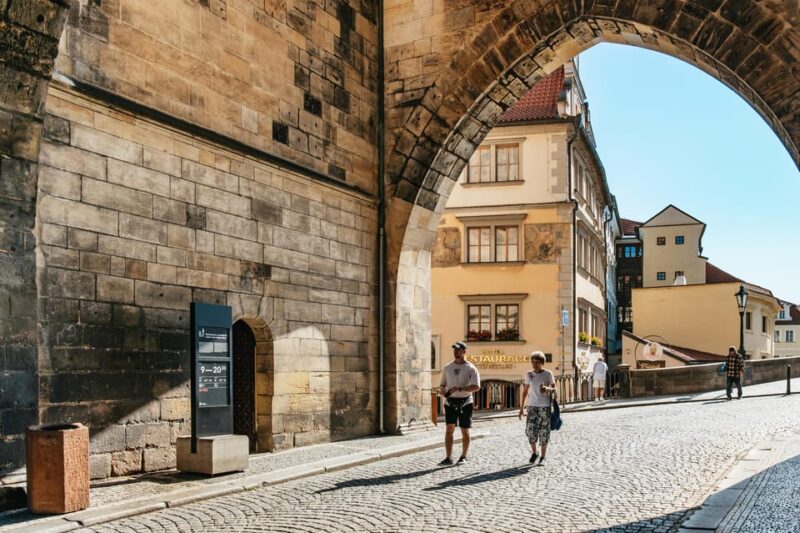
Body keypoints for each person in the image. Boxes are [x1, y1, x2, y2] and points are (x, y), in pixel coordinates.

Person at [438, 341, 481, 465]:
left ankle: (463, 456)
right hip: (450, 402)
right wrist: (442, 391)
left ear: (464, 351)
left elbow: (476, 387)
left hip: (466, 402)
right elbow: (442, 385)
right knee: (449, 429)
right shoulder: (447, 368)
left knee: (464, 430)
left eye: (458, 350)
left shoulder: (471, 368)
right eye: (455, 350)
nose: (456, 352)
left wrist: (460, 389)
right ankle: (448, 457)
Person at [518, 351, 556, 466]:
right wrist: (521, 408)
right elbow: (525, 391)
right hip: (532, 406)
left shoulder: (548, 374)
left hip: (545, 406)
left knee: (544, 431)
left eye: (537, 362)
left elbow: (555, 389)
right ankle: (535, 453)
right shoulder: (529, 374)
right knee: (530, 431)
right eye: (532, 362)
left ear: (542, 363)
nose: (534, 364)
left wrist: (547, 389)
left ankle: (543, 457)